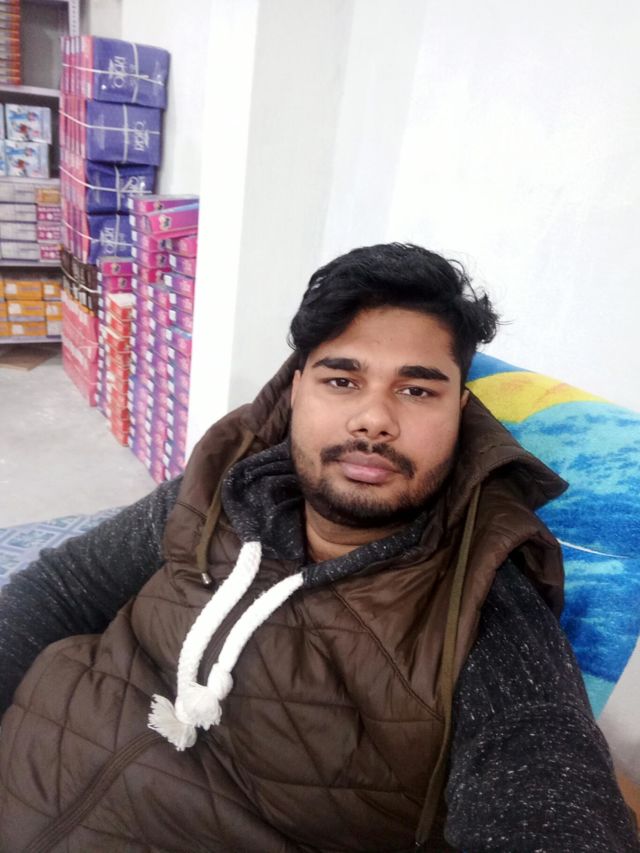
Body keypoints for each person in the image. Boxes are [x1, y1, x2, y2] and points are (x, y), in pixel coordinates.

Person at [0, 243, 637, 852]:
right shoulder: (223, 487)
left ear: (461, 414)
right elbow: (64, 587)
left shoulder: (479, 605)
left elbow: (545, 776)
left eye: (417, 390)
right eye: (342, 380)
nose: (374, 419)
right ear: (297, 388)